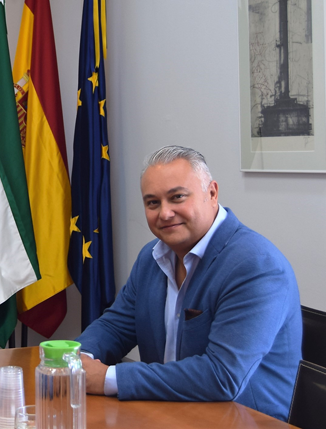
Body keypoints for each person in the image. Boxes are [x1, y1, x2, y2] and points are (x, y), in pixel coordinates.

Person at [75, 145, 301, 421]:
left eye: (177, 197)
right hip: (167, 413)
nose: (165, 213)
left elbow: (222, 376)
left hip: (244, 420)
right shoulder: (151, 256)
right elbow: (116, 325)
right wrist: (77, 359)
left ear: (212, 193)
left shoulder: (255, 265)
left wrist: (108, 377)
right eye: (152, 203)